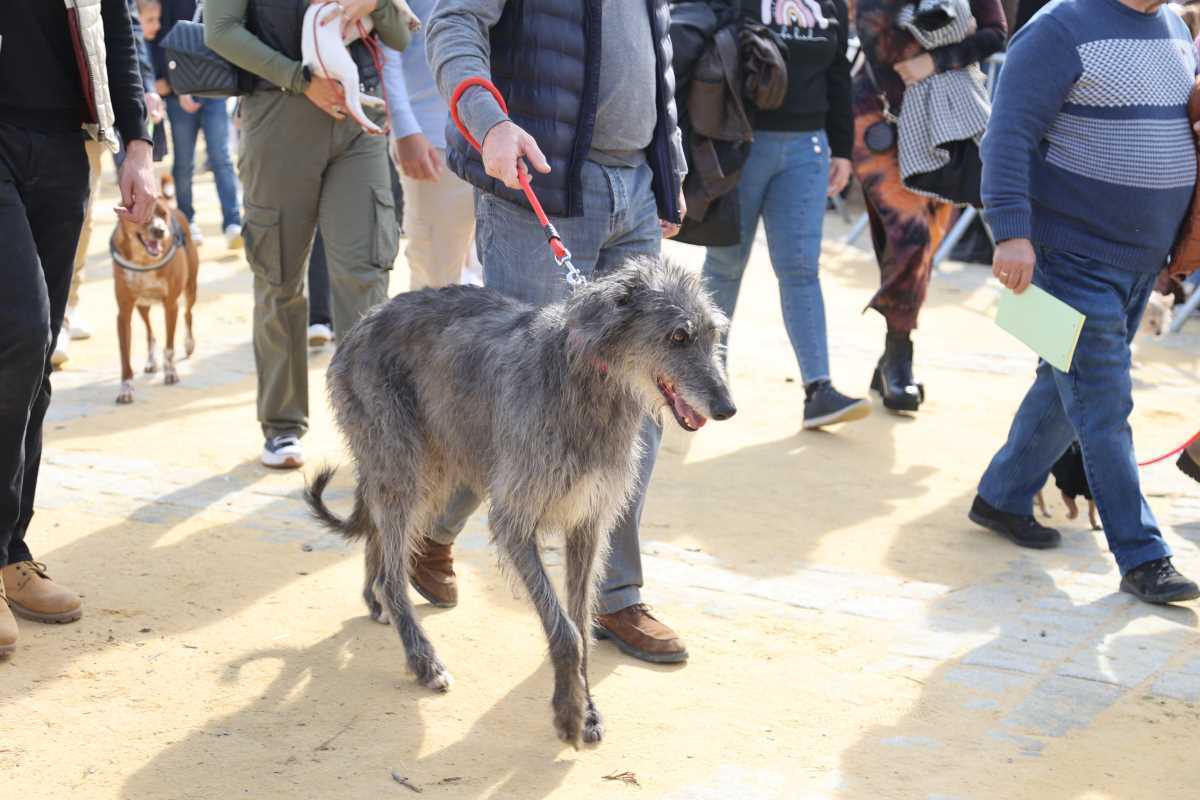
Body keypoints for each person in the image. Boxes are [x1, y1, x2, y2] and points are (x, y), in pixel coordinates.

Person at [426, 0, 691, 663]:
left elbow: (655, 55)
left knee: (633, 407)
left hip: (634, 190)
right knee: (515, 405)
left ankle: (616, 594)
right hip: (539, 187)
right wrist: (490, 124)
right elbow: (453, 24)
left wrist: (670, 164)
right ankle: (429, 530)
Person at [971, 0, 1200, 604]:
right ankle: (1144, 554)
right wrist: (1012, 232)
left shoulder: (1175, 26)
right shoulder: (1059, 26)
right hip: (1065, 256)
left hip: (1140, 261)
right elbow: (1007, 135)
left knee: (1061, 384)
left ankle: (1001, 496)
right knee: (1104, 404)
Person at [0, 0, 158, 657]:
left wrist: (139, 144)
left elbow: (116, 24)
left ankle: (12, 551)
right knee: (22, 331)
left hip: (65, 140)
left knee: (34, 367)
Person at [205, 0, 411, 469]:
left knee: (365, 274)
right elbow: (220, 31)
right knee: (278, 278)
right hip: (279, 114)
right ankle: (281, 425)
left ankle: (371, 430)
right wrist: (300, 79)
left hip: (360, 118)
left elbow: (400, 36)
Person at [702, 0, 869, 431]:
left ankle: (819, 389)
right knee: (725, 264)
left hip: (807, 148)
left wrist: (843, 150)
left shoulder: (832, 5)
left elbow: (837, 77)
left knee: (800, 270)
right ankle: (704, 382)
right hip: (742, 140)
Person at [851, 0, 1006, 413]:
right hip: (881, 119)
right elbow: (877, 38)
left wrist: (936, 60)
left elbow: (995, 33)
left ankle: (889, 356)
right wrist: (953, 34)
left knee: (926, 241)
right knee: (910, 236)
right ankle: (900, 356)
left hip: (949, 121)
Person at [56, 0, 166, 370]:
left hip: (76, 118)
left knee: (79, 218)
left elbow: (124, 33)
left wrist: (142, 101)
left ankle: (64, 311)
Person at [384, 5, 477, 292]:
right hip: (433, 140)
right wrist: (405, 128)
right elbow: (386, 49)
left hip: (506, 138)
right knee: (435, 280)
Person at [150, 0, 244, 250]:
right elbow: (163, 36)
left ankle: (233, 222)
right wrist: (174, 84)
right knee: (184, 161)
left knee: (221, 156)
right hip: (179, 90)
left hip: (217, 86)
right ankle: (186, 220)